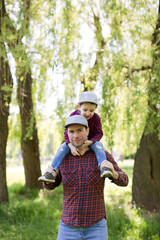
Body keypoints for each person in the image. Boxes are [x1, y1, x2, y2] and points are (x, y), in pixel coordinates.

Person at [43, 115, 129, 240]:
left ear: (87, 131)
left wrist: (114, 173)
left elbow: (125, 180)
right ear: (67, 133)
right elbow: (50, 186)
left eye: (79, 130)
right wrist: (47, 178)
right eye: (71, 132)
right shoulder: (62, 157)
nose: (75, 135)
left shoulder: (102, 155)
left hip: (96, 227)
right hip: (67, 227)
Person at [38, 91, 112, 183]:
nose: (88, 113)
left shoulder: (96, 118)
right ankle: (52, 172)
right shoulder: (73, 116)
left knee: (99, 146)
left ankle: (104, 167)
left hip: (90, 142)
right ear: (79, 107)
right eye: (85, 110)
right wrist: (71, 146)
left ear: (96, 108)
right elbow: (67, 133)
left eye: (91, 110)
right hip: (72, 142)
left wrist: (91, 142)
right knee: (62, 148)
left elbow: (99, 133)